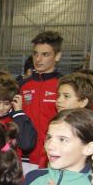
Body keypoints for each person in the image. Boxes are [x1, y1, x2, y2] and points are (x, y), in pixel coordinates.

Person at [20, 31, 63, 167]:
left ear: (57, 56)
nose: (38, 59)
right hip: (25, 156)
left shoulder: (64, 85)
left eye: (45, 55)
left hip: (55, 156)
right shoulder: (22, 85)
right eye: (35, 54)